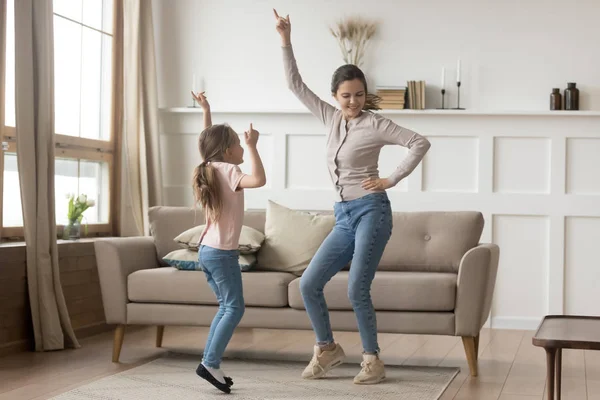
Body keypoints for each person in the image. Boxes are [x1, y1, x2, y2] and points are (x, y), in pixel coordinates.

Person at [273, 10, 431, 385]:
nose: (354, 102)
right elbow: (295, 85)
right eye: (346, 96)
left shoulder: (375, 123)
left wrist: (392, 178)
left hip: (372, 212)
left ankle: (373, 360)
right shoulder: (329, 117)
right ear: (335, 96)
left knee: (356, 285)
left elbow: (418, 142)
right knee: (309, 283)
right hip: (343, 215)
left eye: (359, 95)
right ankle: (326, 348)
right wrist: (285, 40)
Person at [191, 91, 266, 393]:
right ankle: (210, 361)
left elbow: (206, 141)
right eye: (237, 143)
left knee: (226, 307)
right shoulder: (231, 171)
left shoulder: (209, 168)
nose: (240, 146)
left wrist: (206, 110)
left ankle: (210, 363)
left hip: (207, 251)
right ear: (227, 150)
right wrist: (254, 146)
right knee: (234, 309)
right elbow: (259, 179)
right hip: (221, 254)